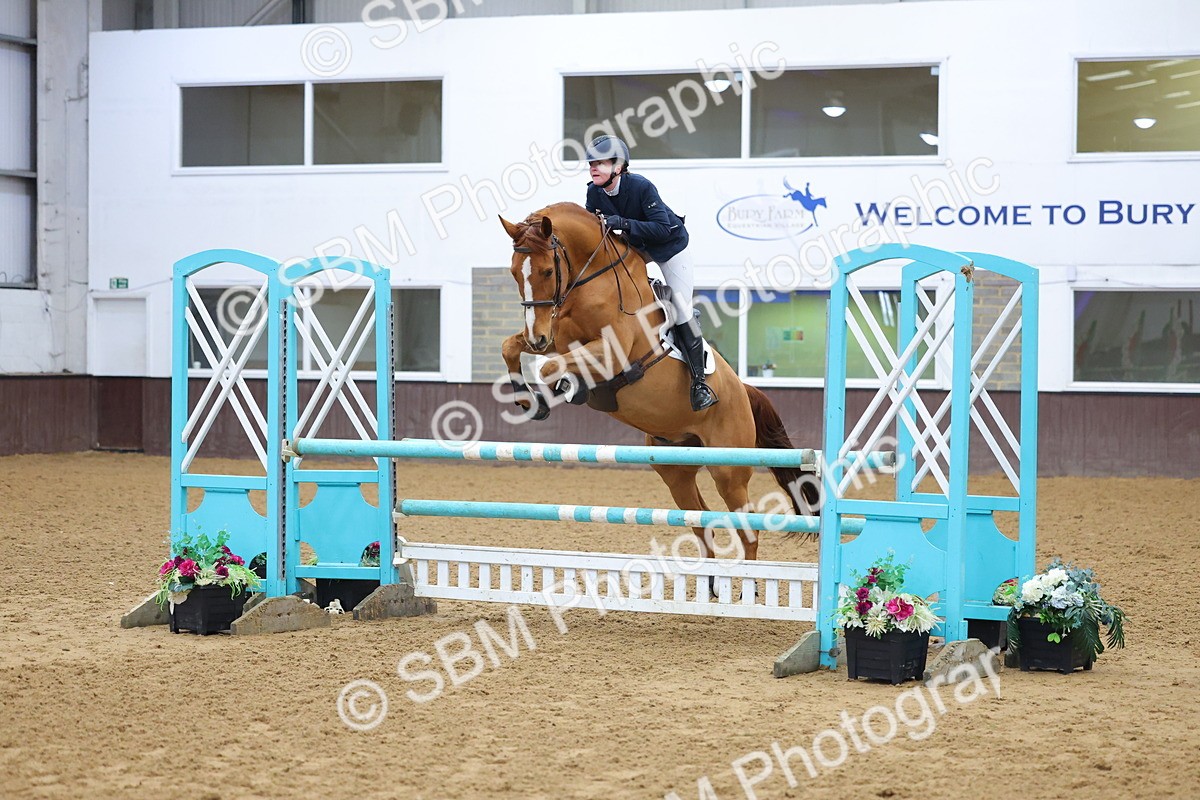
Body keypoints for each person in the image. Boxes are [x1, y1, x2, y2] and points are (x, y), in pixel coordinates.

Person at [583, 134, 718, 411]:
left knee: (680, 309)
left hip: (670, 248)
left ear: (618, 167)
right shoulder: (593, 192)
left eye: (600, 163)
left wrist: (623, 222)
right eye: (591, 164)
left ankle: (699, 383)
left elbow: (661, 228)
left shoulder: (642, 187)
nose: (593, 168)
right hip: (637, 250)